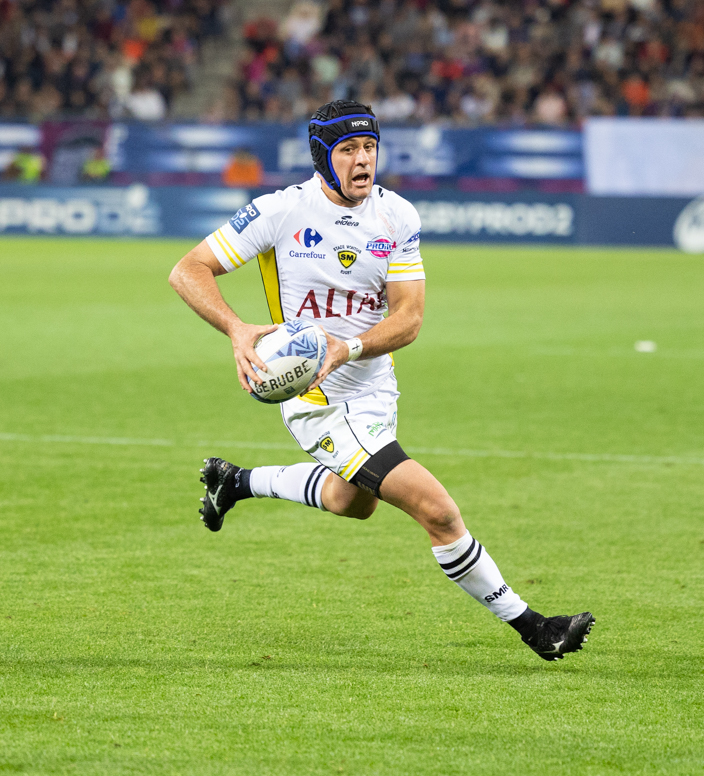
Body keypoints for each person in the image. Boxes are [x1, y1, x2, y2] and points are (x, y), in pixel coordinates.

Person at [168, 100, 595, 662]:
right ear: (323, 157)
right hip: (319, 397)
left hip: (374, 385)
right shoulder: (279, 212)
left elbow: (408, 318)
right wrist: (236, 328)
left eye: (369, 147)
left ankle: (236, 482)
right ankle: (535, 626)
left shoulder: (397, 217)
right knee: (438, 511)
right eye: (347, 150)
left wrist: (351, 347)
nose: (362, 160)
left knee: (352, 501)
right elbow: (188, 269)